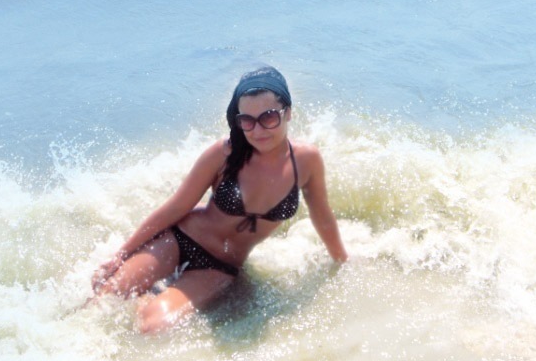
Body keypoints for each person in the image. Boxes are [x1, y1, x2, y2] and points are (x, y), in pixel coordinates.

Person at [90, 66, 348, 333]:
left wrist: (342, 261)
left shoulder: (306, 161)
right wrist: (121, 254)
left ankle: (148, 296)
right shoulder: (224, 153)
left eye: (268, 117)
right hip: (180, 239)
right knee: (103, 301)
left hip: (220, 267)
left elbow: (322, 215)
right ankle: (144, 286)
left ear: (288, 113)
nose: (258, 130)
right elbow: (177, 206)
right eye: (247, 121)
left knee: (152, 326)